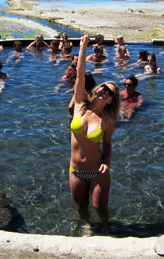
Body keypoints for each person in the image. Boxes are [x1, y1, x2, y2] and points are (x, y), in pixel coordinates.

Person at [69, 35, 119, 228]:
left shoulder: (107, 119)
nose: (105, 90)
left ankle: (107, 233)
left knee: (101, 209)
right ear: (99, 88)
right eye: (104, 87)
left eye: (110, 92)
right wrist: (83, 48)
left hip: (98, 171)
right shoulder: (80, 104)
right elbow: (80, 76)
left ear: (110, 100)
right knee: (81, 207)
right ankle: (86, 231)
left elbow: (107, 144)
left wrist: (107, 162)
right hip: (76, 170)